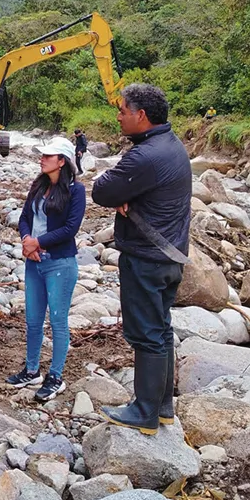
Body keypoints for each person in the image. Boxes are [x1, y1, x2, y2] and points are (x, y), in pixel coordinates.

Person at [91, 84, 192, 434]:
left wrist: (125, 194)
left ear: (141, 116)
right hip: (171, 255)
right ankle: (163, 407)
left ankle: (145, 412)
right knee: (161, 329)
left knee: (146, 334)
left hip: (147, 257)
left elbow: (102, 190)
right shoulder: (171, 145)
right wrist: (128, 194)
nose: (118, 116)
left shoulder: (145, 156)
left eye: (122, 110)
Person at [6, 136, 86, 402]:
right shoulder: (39, 186)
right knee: (32, 319)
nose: (42, 159)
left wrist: (37, 243)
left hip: (60, 264)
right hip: (35, 262)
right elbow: (25, 217)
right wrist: (27, 242)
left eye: (48, 156)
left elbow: (70, 229)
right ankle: (31, 370)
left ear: (61, 161)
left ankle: (56, 376)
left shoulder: (76, 191)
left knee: (58, 321)